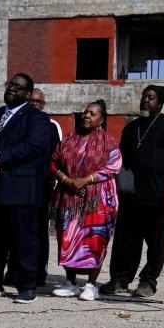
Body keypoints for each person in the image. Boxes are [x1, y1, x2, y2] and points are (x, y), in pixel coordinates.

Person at [0, 72, 53, 304]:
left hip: (19, 190)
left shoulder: (37, 118)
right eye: (9, 85)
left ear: (27, 93)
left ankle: (27, 286)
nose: (11, 89)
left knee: (23, 240)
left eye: (17, 87)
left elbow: (33, 145)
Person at [105, 84, 164, 298]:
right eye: (143, 97)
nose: (145, 101)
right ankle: (120, 279)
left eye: (150, 97)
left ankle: (148, 282)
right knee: (126, 242)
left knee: (156, 243)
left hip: (158, 197)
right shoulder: (132, 128)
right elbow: (121, 161)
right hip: (131, 197)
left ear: (160, 102)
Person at [48, 100, 122, 301]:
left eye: (92, 113)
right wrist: (69, 181)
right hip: (69, 198)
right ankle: (70, 282)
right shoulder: (69, 139)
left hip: (98, 200)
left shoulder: (109, 142)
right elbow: (53, 163)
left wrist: (85, 181)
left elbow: (114, 166)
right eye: (85, 112)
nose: (86, 116)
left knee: (95, 241)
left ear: (102, 119)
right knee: (68, 238)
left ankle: (91, 285)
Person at [28, 88, 61, 290]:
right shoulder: (19, 122)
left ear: (44, 104)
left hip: (42, 186)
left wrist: (53, 189)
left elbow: (55, 158)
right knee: (19, 230)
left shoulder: (52, 125)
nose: (35, 104)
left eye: (38, 101)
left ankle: (40, 272)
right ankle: (16, 271)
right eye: (31, 100)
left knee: (40, 231)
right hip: (20, 185)